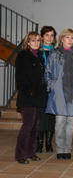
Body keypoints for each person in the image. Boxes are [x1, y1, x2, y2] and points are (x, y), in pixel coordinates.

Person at [45, 28, 73, 160]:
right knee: (59, 122)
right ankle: (60, 149)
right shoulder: (54, 54)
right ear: (62, 39)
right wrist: (52, 86)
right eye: (67, 37)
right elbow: (47, 73)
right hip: (58, 93)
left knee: (70, 123)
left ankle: (67, 149)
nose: (70, 40)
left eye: (72, 38)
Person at [15, 32, 48, 164]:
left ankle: (31, 152)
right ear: (27, 42)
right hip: (28, 97)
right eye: (33, 40)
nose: (36, 43)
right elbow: (20, 78)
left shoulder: (40, 56)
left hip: (39, 96)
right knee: (27, 126)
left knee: (35, 126)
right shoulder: (23, 55)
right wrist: (29, 91)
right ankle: (20, 154)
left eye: (38, 41)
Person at [36, 26, 57, 153]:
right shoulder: (36, 51)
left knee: (51, 116)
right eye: (47, 35)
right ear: (42, 36)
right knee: (40, 116)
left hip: (53, 89)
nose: (49, 37)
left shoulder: (57, 52)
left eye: (52, 35)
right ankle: (39, 143)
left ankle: (48, 143)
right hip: (40, 88)